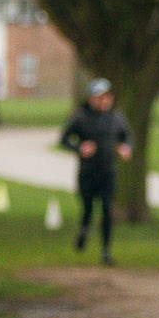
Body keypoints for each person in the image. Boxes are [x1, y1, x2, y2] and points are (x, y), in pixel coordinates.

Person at [59, 77, 133, 264]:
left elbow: (127, 137)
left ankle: (106, 251)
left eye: (107, 97)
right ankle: (84, 231)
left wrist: (125, 148)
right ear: (92, 98)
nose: (104, 101)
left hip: (108, 171)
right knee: (88, 208)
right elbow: (64, 139)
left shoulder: (116, 118)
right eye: (100, 97)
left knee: (107, 210)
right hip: (88, 172)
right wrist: (80, 148)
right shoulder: (80, 117)